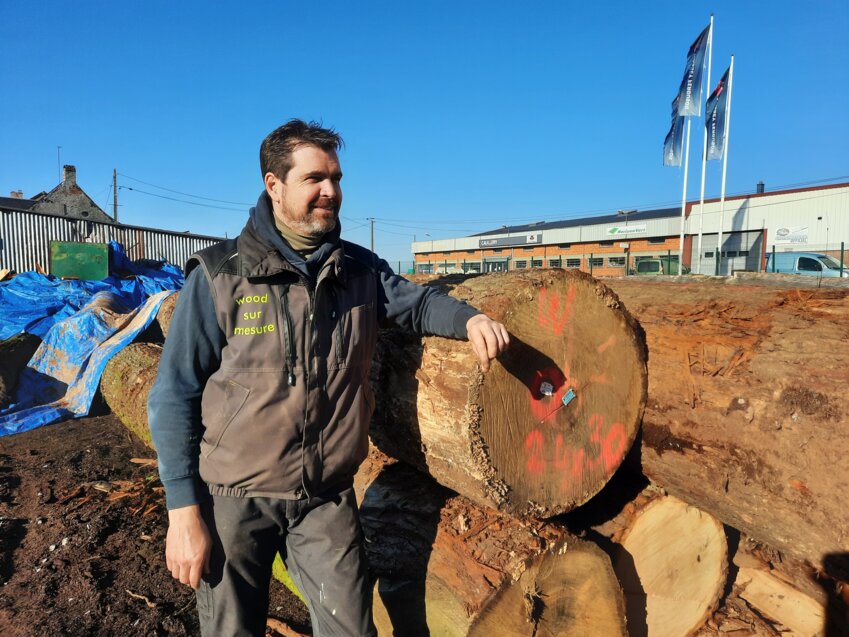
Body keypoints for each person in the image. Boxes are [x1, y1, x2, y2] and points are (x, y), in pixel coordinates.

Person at [147, 119, 509, 637]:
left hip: (326, 498)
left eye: (336, 179)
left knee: (352, 630)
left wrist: (471, 318)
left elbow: (418, 302)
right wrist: (183, 512)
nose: (331, 192)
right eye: (315, 179)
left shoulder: (359, 272)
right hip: (233, 499)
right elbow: (173, 394)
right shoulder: (220, 276)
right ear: (274, 185)